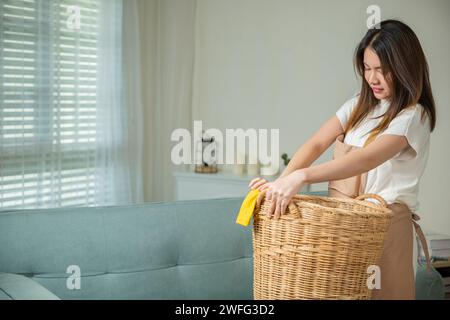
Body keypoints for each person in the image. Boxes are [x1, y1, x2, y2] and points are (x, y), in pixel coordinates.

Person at [248, 19, 436, 300]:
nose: (373, 79)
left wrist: (302, 177)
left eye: (383, 71)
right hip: (345, 229)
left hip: (387, 231)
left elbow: (367, 159)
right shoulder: (360, 103)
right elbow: (316, 143)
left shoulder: (413, 116)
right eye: (368, 68)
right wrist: (282, 182)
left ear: (405, 67)